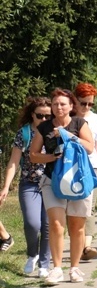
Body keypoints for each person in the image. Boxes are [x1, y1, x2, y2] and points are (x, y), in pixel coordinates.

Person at [30, 88, 97, 284]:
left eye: (62, 104)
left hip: (78, 180)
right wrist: (51, 157)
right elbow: (34, 155)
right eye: (55, 104)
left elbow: (90, 146)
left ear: (70, 106)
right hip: (53, 179)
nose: (58, 107)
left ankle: (74, 268)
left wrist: (68, 135)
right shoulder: (44, 128)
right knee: (56, 224)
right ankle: (57, 268)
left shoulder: (79, 123)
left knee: (76, 226)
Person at [1, 97, 51, 277]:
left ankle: (45, 264)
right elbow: (14, 162)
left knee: (47, 225)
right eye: (40, 116)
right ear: (32, 115)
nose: (44, 120)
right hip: (29, 183)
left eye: (48, 116)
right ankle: (32, 254)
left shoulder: (55, 132)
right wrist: (6, 186)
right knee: (32, 223)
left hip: (52, 184)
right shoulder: (24, 134)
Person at [73, 83, 97, 261]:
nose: (86, 107)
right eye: (83, 103)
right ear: (75, 101)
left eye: (90, 104)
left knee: (89, 206)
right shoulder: (67, 117)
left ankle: (87, 246)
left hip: (91, 167)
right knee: (72, 208)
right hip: (69, 167)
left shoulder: (96, 120)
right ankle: (76, 243)